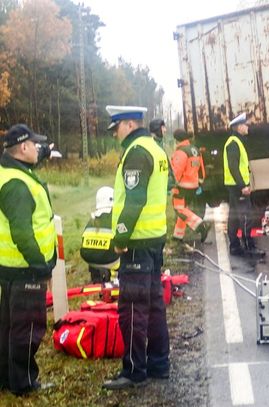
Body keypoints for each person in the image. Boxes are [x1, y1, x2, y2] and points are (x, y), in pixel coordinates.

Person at [102, 106, 170, 390]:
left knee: (132, 308)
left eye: (117, 127)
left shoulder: (136, 152)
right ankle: (159, 363)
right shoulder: (154, 147)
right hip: (154, 238)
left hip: (137, 243)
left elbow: (134, 200)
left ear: (129, 124)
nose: (115, 133)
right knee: (154, 305)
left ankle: (133, 370)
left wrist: (120, 239)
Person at [0, 124, 57, 395]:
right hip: (26, 269)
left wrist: (43, 152)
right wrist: (41, 266)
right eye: (34, 144)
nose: (38, 148)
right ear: (23, 148)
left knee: (9, 326)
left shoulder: (9, 170)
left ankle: (7, 378)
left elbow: (30, 161)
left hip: (11, 267)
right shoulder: (17, 186)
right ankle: (24, 383)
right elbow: (22, 233)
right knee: (27, 329)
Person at [223, 112, 265, 257]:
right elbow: (233, 166)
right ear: (239, 127)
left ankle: (234, 246)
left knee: (234, 217)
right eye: (245, 125)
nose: (247, 127)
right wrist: (242, 186)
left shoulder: (235, 141)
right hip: (238, 186)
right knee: (246, 215)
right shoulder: (234, 143)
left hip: (233, 185)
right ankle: (249, 246)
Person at [170, 128, 210, 242]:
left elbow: (176, 171)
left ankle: (201, 225)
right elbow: (201, 169)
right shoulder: (195, 150)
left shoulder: (181, 152)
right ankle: (178, 236)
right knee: (184, 210)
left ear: (177, 140)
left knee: (179, 209)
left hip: (182, 187)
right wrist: (200, 182)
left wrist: (172, 185)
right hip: (193, 186)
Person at [80, 186, 120, 283]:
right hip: (111, 261)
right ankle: (115, 279)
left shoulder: (92, 220)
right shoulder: (115, 218)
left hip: (89, 260)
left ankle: (97, 277)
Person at [149, 118, 175, 191]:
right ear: (157, 129)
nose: (165, 130)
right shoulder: (152, 146)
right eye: (163, 128)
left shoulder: (160, 145)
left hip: (162, 190)